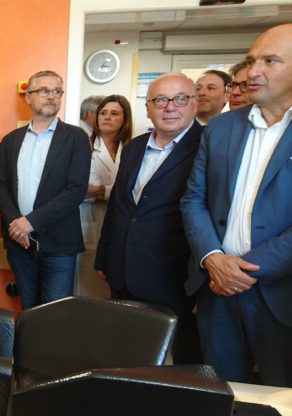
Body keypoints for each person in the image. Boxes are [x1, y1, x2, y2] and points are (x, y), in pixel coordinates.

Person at [181, 23, 292, 387]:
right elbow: (193, 199)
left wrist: (243, 271)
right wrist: (214, 260)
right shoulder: (221, 128)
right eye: (250, 60)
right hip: (216, 289)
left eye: (270, 61)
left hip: (279, 294)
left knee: (280, 395)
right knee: (223, 392)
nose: (253, 72)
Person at [95, 73, 203, 364]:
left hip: (174, 276)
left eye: (180, 99)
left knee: (178, 359)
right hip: (122, 271)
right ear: (147, 108)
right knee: (126, 352)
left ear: (194, 103)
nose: (170, 107)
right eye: (160, 100)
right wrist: (104, 255)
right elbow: (118, 206)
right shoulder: (134, 147)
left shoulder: (209, 146)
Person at [0, 70, 90, 309]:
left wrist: (30, 222)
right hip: (19, 242)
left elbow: (76, 190)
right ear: (28, 97)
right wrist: (17, 224)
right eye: (44, 91)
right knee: (28, 308)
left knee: (54, 313)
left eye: (57, 91)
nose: (51, 96)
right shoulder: (11, 140)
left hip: (59, 242)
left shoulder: (76, 138)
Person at [75, 95, 132, 298]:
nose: (107, 117)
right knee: (89, 284)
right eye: (103, 113)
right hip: (89, 218)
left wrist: (100, 190)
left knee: (116, 284)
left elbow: (136, 191)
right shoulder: (84, 146)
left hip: (121, 223)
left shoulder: (133, 149)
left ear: (125, 119)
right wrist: (112, 191)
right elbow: (78, 189)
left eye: (114, 113)